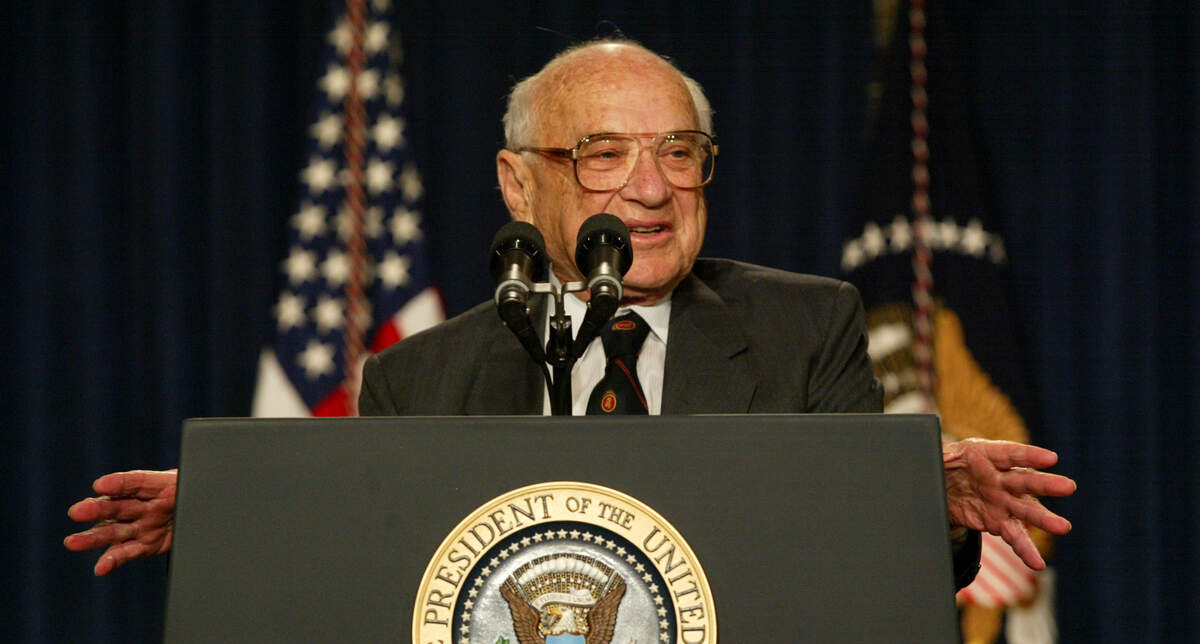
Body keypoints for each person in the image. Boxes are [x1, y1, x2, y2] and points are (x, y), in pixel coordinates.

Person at [65, 39, 1074, 584]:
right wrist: (241, 507)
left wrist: (917, 494)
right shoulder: (419, 377)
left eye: (679, 152)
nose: (652, 188)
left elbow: (859, 561)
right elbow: (377, 556)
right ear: (519, 185)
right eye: (603, 154)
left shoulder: (805, 326)